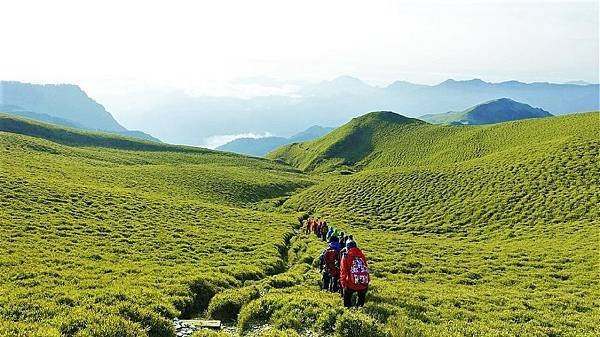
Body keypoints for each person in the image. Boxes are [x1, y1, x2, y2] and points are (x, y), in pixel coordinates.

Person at [340, 240, 370, 308]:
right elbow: (365, 267)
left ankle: (348, 310)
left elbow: (343, 271)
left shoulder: (346, 256)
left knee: (347, 295)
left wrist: (343, 283)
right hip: (364, 283)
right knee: (361, 295)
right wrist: (367, 281)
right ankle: (359, 308)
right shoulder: (362, 255)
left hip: (351, 283)